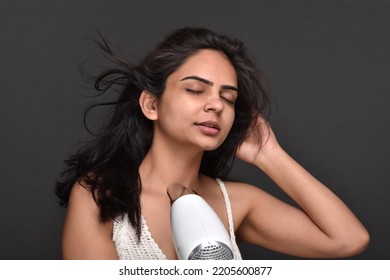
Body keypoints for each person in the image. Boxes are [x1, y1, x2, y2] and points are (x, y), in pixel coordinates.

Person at [55, 27, 369, 260]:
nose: (216, 105)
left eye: (228, 97)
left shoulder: (239, 203)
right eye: (195, 90)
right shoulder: (100, 195)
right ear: (151, 105)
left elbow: (347, 239)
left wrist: (269, 155)